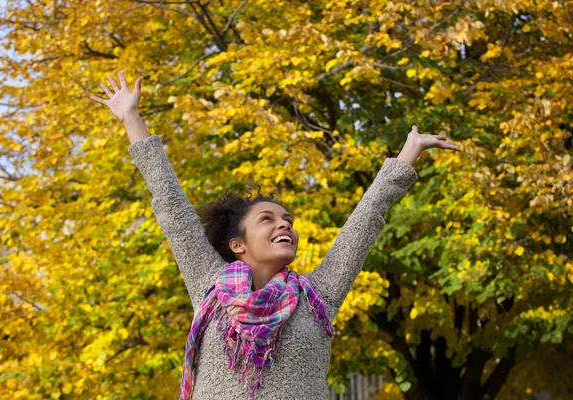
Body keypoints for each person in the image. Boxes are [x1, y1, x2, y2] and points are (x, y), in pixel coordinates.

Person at [90, 72, 461, 400]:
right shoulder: (209, 286)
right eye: (267, 219)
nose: (284, 225)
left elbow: (364, 224)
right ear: (238, 245)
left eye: (287, 219)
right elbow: (172, 207)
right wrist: (131, 117)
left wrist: (409, 152)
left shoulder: (319, 297)